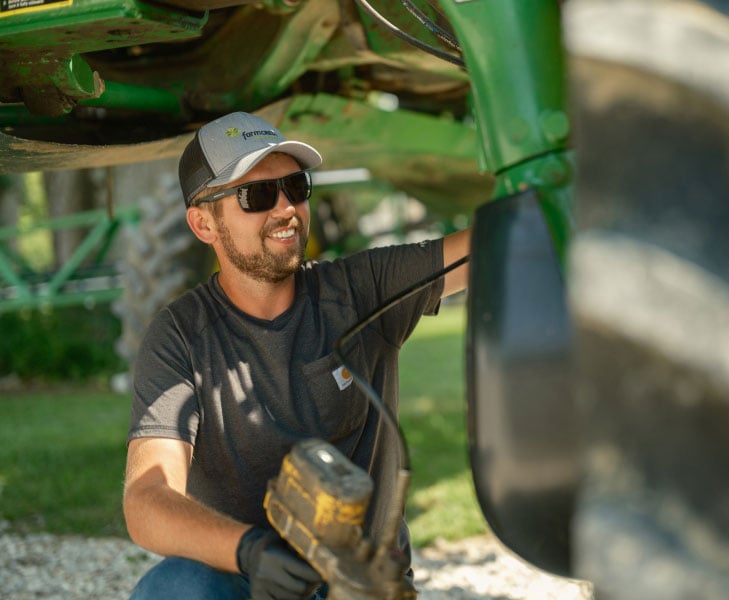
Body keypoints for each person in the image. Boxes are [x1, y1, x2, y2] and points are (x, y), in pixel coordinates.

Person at [123, 111, 471, 600]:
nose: (286, 208)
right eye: (257, 195)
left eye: (296, 186)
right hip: (251, 580)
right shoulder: (181, 334)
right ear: (204, 224)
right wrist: (250, 552)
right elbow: (147, 500)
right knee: (176, 589)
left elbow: (489, 248)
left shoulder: (361, 291)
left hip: (359, 586)